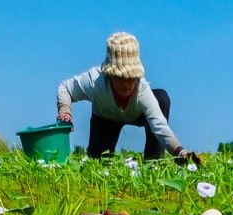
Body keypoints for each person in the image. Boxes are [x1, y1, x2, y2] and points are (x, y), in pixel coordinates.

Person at [56, 32, 199, 164]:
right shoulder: (95, 82)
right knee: (97, 163)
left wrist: (180, 152)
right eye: (120, 77)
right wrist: (65, 112)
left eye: (131, 77)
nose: (126, 84)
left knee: (161, 98)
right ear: (110, 74)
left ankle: (153, 164)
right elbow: (65, 88)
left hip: (137, 113)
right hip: (106, 119)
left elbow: (160, 126)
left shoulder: (142, 89)